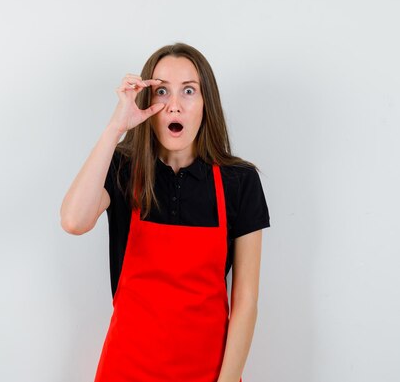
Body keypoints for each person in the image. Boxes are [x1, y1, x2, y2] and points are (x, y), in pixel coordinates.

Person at [60, 42, 270, 382]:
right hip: (126, 369)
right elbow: (73, 221)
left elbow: (245, 300)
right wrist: (116, 128)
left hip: (207, 372)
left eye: (189, 91)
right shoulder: (123, 170)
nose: (174, 105)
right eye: (161, 91)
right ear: (147, 102)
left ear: (206, 104)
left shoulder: (239, 182)